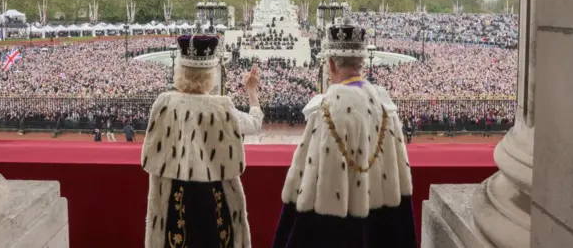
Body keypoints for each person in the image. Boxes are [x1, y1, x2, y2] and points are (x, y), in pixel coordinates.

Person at [272, 17, 417, 248]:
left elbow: (313, 179)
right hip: (381, 223)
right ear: (362, 62)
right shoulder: (385, 106)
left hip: (336, 229)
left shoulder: (327, 111)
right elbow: (400, 178)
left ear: (330, 64)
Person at [141, 33, 263, 248]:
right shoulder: (222, 107)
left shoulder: (163, 103)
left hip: (173, 195)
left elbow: (149, 155)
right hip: (215, 194)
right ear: (211, 74)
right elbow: (254, 124)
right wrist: (252, 92)